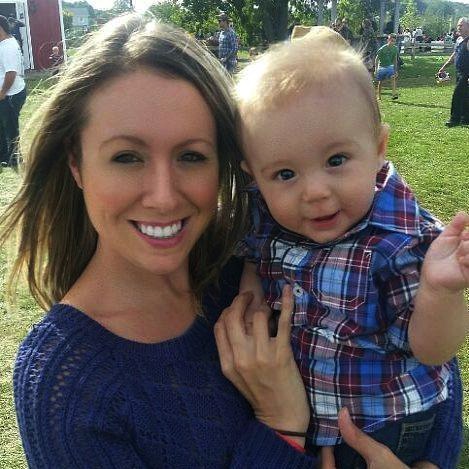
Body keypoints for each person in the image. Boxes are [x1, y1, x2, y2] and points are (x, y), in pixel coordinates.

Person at [0, 14, 443, 468]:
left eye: (192, 156)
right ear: (76, 163)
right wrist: (281, 427)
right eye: (126, 157)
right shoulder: (68, 382)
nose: (163, 195)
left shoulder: (258, 268)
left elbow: (423, 368)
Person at [234, 26, 468, 468]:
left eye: (336, 161)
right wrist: (251, 297)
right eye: (285, 174)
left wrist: (440, 291)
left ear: (379, 148)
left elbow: (433, 351)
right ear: (255, 177)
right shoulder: (269, 217)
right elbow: (255, 254)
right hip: (316, 420)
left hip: (385, 425)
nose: (315, 191)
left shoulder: (398, 241)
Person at [0, 14, 26, 167]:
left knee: (10, 127)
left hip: (10, 94)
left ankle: (15, 158)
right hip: (6, 94)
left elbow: (11, 73)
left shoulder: (8, 46)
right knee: (3, 126)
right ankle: (4, 155)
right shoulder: (4, 44)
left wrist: (3, 92)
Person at [438, 17, 469, 127]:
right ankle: (465, 118)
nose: (458, 27)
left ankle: (454, 119)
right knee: (465, 95)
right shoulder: (459, 40)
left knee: (457, 95)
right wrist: (444, 67)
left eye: (461, 25)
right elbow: (454, 55)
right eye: (458, 25)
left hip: (467, 74)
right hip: (459, 72)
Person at [375, 33, 399, 100]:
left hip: (390, 66)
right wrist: (376, 69)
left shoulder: (395, 49)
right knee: (380, 82)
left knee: (393, 78)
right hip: (382, 66)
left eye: (394, 41)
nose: (392, 42)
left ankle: (394, 94)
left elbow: (395, 59)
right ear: (388, 40)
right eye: (391, 40)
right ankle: (379, 95)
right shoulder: (382, 49)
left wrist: (395, 69)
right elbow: (377, 59)